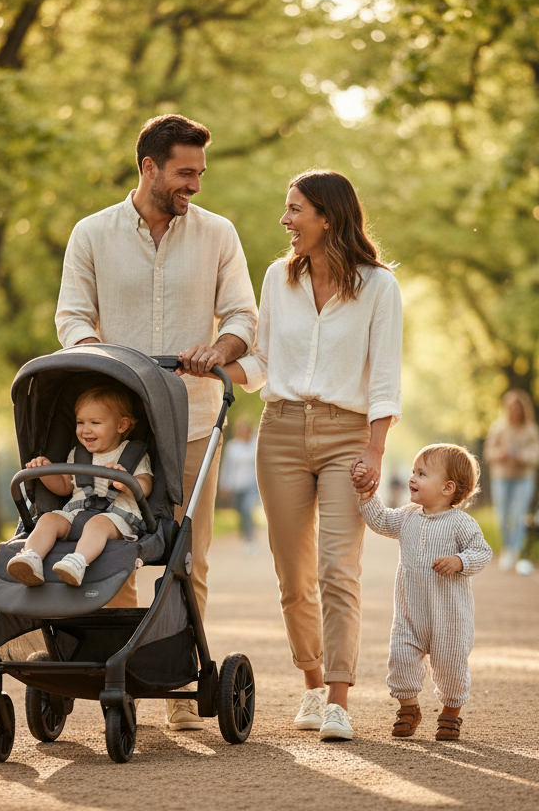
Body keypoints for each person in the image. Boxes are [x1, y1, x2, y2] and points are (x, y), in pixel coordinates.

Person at [55, 114, 258, 731]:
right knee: (113, 549)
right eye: (185, 172)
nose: (196, 183)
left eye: (200, 171)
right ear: (149, 168)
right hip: (115, 429)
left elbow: (243, 317)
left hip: (192, 419)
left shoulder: (218, 234)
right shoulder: (91, 234)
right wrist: (102, 357)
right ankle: (123, 679)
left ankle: (178, 683)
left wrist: (218, 352)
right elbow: (71, 317)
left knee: (184, 557)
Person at [221, 169, 403, 742]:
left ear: (328, 216)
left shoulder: (379, 287)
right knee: (294, 574)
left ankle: (340, 701)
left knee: (337, 567)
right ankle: (311, 684)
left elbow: (386, 379)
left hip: (348, 434)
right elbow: (264, 362)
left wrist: (375, 448)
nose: (285, 221)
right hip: (280, 433)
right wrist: (216, 367)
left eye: (295, 209)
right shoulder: (279, 278)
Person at [356, 443, 492, 741]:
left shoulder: (461, 524)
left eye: (422, 473)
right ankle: (408, 708)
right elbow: (380, 520)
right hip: (410, 614)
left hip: (449, 619)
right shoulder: (407, 516)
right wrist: (367, 496)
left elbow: (482, 552)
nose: (412, 479)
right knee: (400, 659)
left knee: (452, 668)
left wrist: (460, 561)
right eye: (413, 472)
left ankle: (450, 714)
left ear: (447, 487)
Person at [7, 383, 153, 588]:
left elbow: (146, 485)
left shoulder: (133, 454)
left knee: (97, 524)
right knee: (48, 518)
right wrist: (45, 472)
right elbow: (65, 487)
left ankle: (77, 561)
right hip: (77, 514)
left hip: (116, 519)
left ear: (121, 426)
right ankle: (31, 557)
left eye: (95, 422)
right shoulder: (78, 455)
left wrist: (127, 482)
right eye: (80, 422)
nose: (86, 429)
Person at [483, 389, 539, 573]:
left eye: (517, 408)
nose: (513, 412)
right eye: (510, 408)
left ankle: (515, 551)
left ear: (522, 409)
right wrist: (500, 454)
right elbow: (488, 452)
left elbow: (538, 453)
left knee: (518, 515)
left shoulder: (531, 429)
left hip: (523, 478)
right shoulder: (498, 428)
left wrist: (522, 457)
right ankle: (507, 547)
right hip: (501, 478)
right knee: (503, 515)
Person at [219, 419, 260, 555]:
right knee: (241, 514)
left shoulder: (255, 444)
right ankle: (246, 538)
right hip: (236, 486)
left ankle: (251, 540)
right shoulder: (232, 446)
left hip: (252, 485)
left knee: (247, 510)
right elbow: (227, 467)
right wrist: (224, 485)